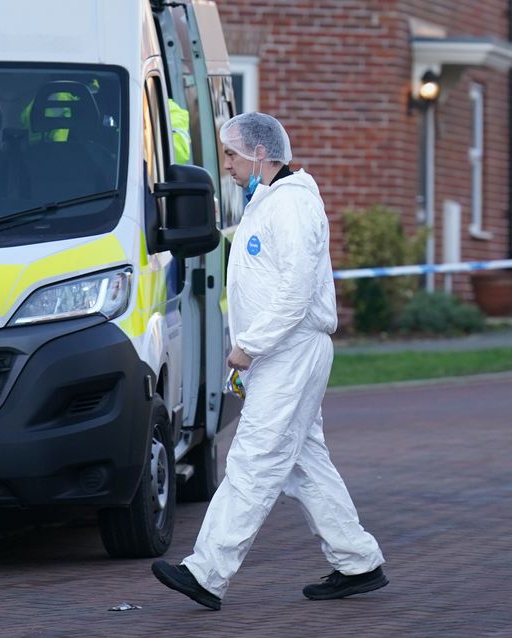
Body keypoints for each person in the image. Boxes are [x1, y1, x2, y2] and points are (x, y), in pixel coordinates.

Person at [151, 112, 387, 610]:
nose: (226, 165)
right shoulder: (269, 203)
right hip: (280, 351)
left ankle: (207, 572)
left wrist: (249, 345)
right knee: (303, 463)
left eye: (232, 154)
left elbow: (296, 291)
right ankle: (358, 561)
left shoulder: (293, 207)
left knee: (254, 459)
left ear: (261, 154)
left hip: (290, 349)